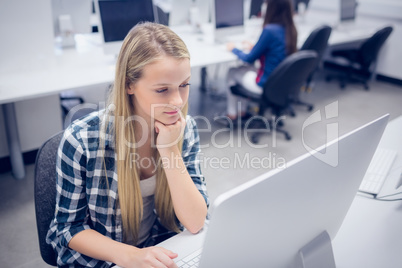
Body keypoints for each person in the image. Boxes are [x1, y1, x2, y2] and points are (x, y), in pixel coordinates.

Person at [46, 22, 209, 268]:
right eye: (162, 89)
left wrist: (168, 149)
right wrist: (129, 255)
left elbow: (196, 221)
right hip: (102, 260)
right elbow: (68, 228)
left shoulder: (185, 128)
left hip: (161, 250)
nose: (177, 101)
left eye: (184, 85)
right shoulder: (82, 141)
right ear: (129, 85)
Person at [223, 0, 297, 122]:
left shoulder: (270, 30)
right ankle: (242, 111)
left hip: (266, 85)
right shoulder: (291, 29)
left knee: (232, 71)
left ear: (272, 8)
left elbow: (248, 58)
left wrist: (233, 49)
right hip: (281, 83)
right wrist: (255, 47)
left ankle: (232, 114)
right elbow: (275, 50)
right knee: (247, 70)